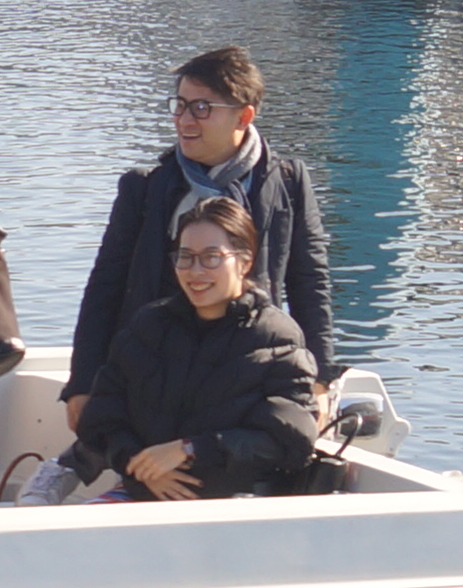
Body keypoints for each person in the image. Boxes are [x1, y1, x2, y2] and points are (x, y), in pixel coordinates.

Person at [64, 44, 331, 442]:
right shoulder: (147, 188)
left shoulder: (287, 183)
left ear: (244, 116)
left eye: (201, 108)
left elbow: (310, 283)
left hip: (247, 374)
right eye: (180, 105)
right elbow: (106, 285)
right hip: (155, 376)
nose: (184, 120)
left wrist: (320, 379)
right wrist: (83, 382)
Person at [68, 193, 323, 502]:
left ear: (244, 262)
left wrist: (190, 448)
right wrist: (140, 464)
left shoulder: (275, 338)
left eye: (211, 257)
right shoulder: (149, 327)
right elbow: (102, 418)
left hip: (233, 504)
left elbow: (290, 440)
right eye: (185, 257)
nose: (195, 271)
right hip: (142, 494)